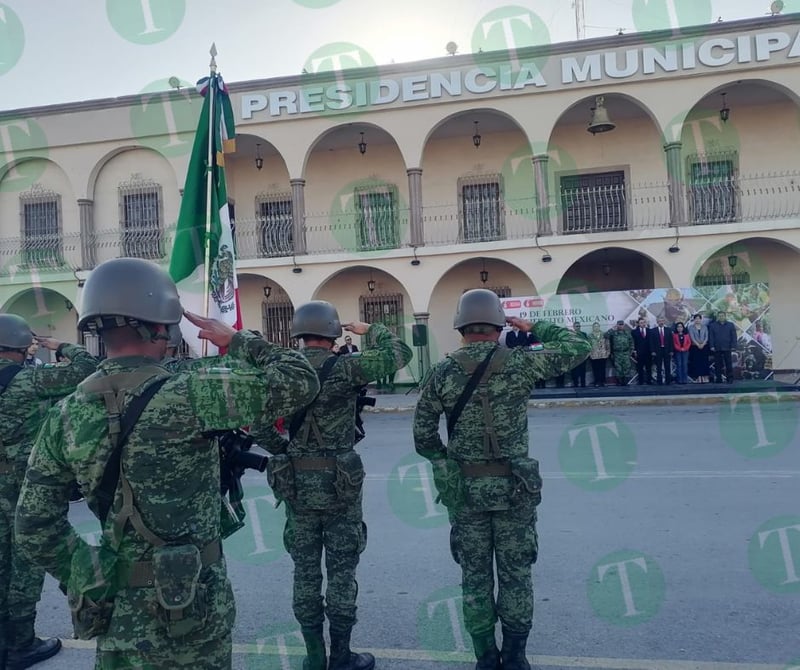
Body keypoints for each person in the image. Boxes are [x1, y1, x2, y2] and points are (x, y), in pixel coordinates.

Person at [14, 257, 320, 670]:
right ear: (161, 326)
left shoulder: (66, 413)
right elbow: (300, 379)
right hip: (194, 610)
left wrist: (88, 572)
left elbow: (32, 525)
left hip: (117, 615)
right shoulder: (193, 392)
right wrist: (236, 340)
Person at [413, 289, 590, 670]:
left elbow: (423, 437)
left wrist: (447, 462)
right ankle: (515, 657)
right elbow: (579, 346)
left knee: (475, 577)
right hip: (515, 491)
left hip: (467, 495)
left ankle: (485, 659)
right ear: (498, 324)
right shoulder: (520, 363)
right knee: (516, 574)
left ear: (460, 327)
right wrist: (532, 325)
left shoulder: (442, 371)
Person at [256, 300, 411, 670]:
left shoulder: (284, 373)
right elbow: (399, 353)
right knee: (342, 569)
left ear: (298, 334)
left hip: (297, 482)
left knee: (305, 570)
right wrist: (369, 330)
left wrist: (288, 451)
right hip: (340, 484)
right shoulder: (348, 368)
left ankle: (313, 658)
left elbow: (259, 427)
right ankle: (341, 656)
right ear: (330, 333)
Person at [0, 313, 98, 670]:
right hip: (26, 490)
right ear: (19, 346)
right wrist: (60, 345)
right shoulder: (31, 381)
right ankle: (21, 645)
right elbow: (89, 368)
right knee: (24, 567)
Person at [709, 311, 738, 383]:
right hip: (717, 347)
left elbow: (734, 336)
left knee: (728, 363)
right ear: (718, 317)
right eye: (719, 316)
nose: (721, 317)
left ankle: (730, 378)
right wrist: (712, 346)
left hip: (727, 347)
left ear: (725, 316)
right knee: (718, 364)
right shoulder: (713, 325)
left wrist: (733, 345)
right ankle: (718, 378)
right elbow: (711, 337)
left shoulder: (730, 325)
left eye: (722, 316)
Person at [605, 320, 634, 386]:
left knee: (626, 367)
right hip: (617, 353)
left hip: (626, 353)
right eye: (619, 325)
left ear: (624, 325)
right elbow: (606, 335)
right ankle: (619, 381)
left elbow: (631, 342)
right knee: (618, 368)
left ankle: (625, 381)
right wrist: (612, 329)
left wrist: (631, 351)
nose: (621, 326)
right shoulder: (613, 333)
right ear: (617, 325)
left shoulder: (627, 333)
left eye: (622, 325)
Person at [647, 316, 673, 385]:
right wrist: (652, 351)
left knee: (667, 366)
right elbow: (651, 342)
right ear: (657, 322)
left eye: (662, 321)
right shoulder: (653, 330)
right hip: (657, 350)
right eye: (660, 321)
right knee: (658, 366)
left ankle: (668, 381)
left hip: (667, 350)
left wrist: (671, 350)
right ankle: (659, 381)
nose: (661, 322)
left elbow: (671, 341)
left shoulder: (668, 330)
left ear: (664, 321)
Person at [687, 314, 710, 383]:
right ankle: (698, 377)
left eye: (698, 319)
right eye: (696, 319)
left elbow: (706, 336)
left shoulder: (705, 327)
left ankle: (705, 377)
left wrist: (703, 344)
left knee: (704, 362)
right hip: (695, 347)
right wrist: (697, 344)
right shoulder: (691, 327)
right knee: (697, 362)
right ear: (694, 320)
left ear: (701, 319)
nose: (697, 320)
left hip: (704, 346)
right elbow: (692, 337)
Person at [568, 322, 590, 388]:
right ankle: (575, 384)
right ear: (573, 327)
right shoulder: (570, 335)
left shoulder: (584, 334)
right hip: (574, 356)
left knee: (582, 370)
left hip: (582, 355)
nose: (578, 327)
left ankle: (583, 384)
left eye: (579, 326)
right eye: (576, 326)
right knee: (574, 371)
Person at [588, 321, 610, 387]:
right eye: (595, 326)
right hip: (594, 355)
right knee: (595, 369)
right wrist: (589, 354)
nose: (596, 328)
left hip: (603, 354)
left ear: (599, 327)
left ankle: (603, 381)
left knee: (602, 369)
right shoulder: (590, 336)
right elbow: (588, 345)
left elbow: (607, 344)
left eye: (597, 326)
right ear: (593, 328)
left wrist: (608, 352)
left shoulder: (604, 334)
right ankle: (597, 381)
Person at [631, 317, 651, 385]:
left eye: (644, 322)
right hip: (639, 353)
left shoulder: (649, 331)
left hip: (648, 353)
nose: (643, 324)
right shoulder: (634, 332)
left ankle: (649, 381)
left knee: (649, 368)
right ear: (638, 324)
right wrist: (635, 351)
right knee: (640, 368)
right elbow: (633, 342)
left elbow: (651, 342)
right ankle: (641, 381)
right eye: (641, 323)